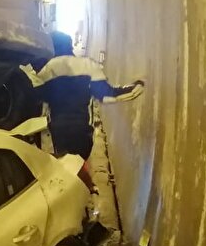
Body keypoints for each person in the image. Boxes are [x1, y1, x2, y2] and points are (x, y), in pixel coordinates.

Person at [37, 31, 144, 189]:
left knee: (65, 168)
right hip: (82, 129)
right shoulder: (87, 66)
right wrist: (137, 87)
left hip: (59, 129)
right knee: (80, 163)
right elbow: (109, 95)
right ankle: (84, 192)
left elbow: (37, 97)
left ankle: (71, 198)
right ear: (70, 45)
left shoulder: (47, 70)